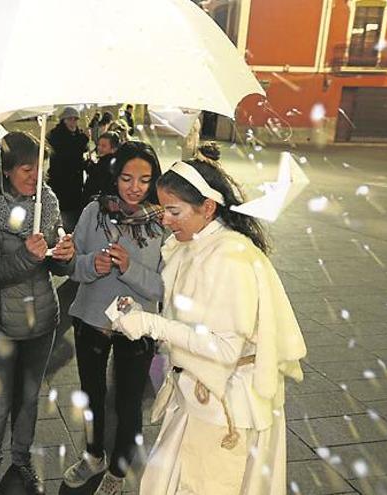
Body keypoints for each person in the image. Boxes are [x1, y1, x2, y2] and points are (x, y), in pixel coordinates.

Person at [114, 144, 307, 494]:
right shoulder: (196, 242)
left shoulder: (231, 257)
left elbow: (224, 347)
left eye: (174, 211)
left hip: (226, 402)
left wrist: (151, 324)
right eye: (163, 209)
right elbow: (193, 309)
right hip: (202, 393)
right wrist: (141, 314)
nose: (164, 220)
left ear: (208, 207)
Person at [0, 132, 76, 495]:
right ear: (6, 169)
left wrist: (65, 256)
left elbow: (59, 270)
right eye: (27, 169)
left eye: (40, 169)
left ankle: (22, 459)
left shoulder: (49, 202)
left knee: (29, 398)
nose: (35, 178)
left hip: (41, 319)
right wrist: (28, 255)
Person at [63, 141, 165, 494]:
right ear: (114, 176)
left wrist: (129, 268)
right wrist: (91, 264)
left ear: (154, 181)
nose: (134, 187)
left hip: (137, 328)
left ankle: (119, 471)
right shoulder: (94, 211)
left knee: (128, 402)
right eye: (126, 178)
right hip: (91, 321)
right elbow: (72, 267)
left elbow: (164, 288)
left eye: (143, 179)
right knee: (91, 396)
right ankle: (94, 455)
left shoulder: (163, 221)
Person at [47, 106, 89, 231]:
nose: (73, 122)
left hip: (75, 182)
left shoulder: (78, 134)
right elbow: (68, 152)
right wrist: (84, 139)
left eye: (75, 119)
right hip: (61, 181)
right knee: (63, 216)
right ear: (63, 120)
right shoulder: (56, 135)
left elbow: (80, 152)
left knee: (74, 213)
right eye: (69, 119)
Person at [83, 131, 121, 200]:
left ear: (113, 149)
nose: (99, 148)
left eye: (103, 146)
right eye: (99, 145)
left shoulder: (109, 163)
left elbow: (98, 178)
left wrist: (89, 165)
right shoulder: (104, 160)